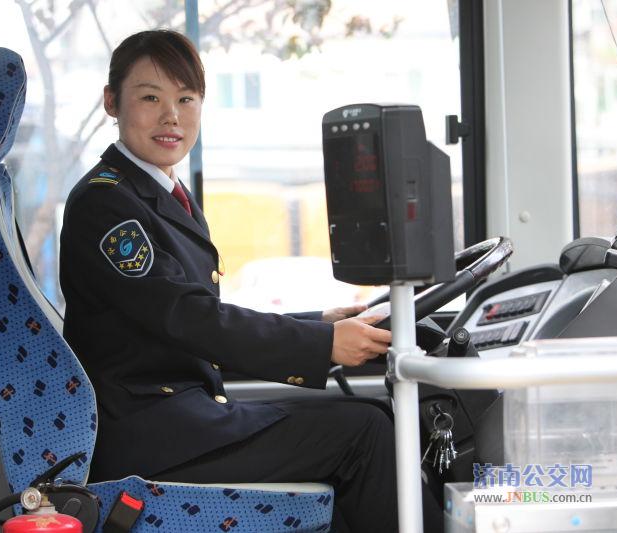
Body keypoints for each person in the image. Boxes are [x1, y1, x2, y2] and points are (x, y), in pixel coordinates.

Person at [59, 29, 441, 532]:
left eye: (186, 99)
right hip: (151, 435)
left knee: (374, 417)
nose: (171, 116)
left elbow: (191, 314)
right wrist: (323, 344)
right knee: (364, 430)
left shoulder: (156, 191)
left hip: (177, 420)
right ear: (112, 102)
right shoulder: (107, 204)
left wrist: (321, 323)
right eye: (150, 98)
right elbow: (188, 318)